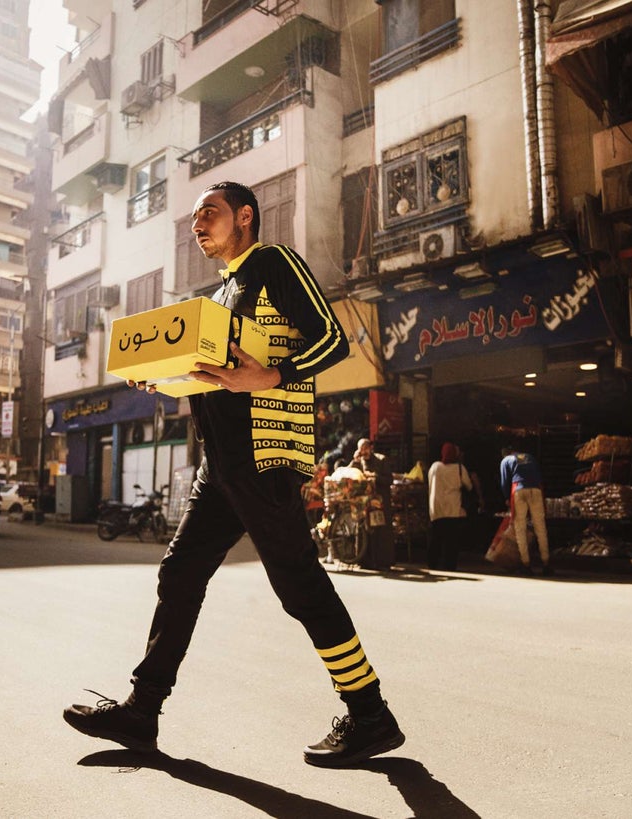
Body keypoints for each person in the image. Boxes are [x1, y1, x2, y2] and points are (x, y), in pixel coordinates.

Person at [63, 182, 404, 768]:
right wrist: (162, 377)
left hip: (263, 454)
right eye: (194, 217)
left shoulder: (273, 264)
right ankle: (142, 712)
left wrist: (272, 376)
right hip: (219, 465)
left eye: (210, 214)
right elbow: (213, 377)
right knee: (180, 571)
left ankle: (370, 713)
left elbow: (332, 340)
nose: (198, 225)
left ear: (245, 216)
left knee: (299, 585)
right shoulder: (218, 294)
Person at [500, 443, 552, 575]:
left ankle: (526, 564)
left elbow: (505, 481)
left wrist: (507, 497)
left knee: (520, 528)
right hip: (535, 490)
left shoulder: (506, 460)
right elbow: (539, 478)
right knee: (540, 527)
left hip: (518, 490)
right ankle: (546, 563)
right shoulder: (529, 457)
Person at [350, 438, 395, 571]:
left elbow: (389, 479)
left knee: (380, 532)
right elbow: (348, 476)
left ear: (371, 448)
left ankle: (382, 561)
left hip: (379, 502)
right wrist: (354, 461)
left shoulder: (381, 460)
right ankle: (363, 560)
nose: (363, 452)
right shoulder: (358, 462)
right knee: (363, 530)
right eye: (361, 449)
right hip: (363, 503)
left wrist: (375, 477)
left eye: (365, 448)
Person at [427, 443, 473, 570]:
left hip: (436, 509)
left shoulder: (435, 467)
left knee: (436, 537)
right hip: (453, 509)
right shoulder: (459, 468)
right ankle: (450, 565)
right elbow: (469, 486)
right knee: (451, 540)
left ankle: (432, 563)